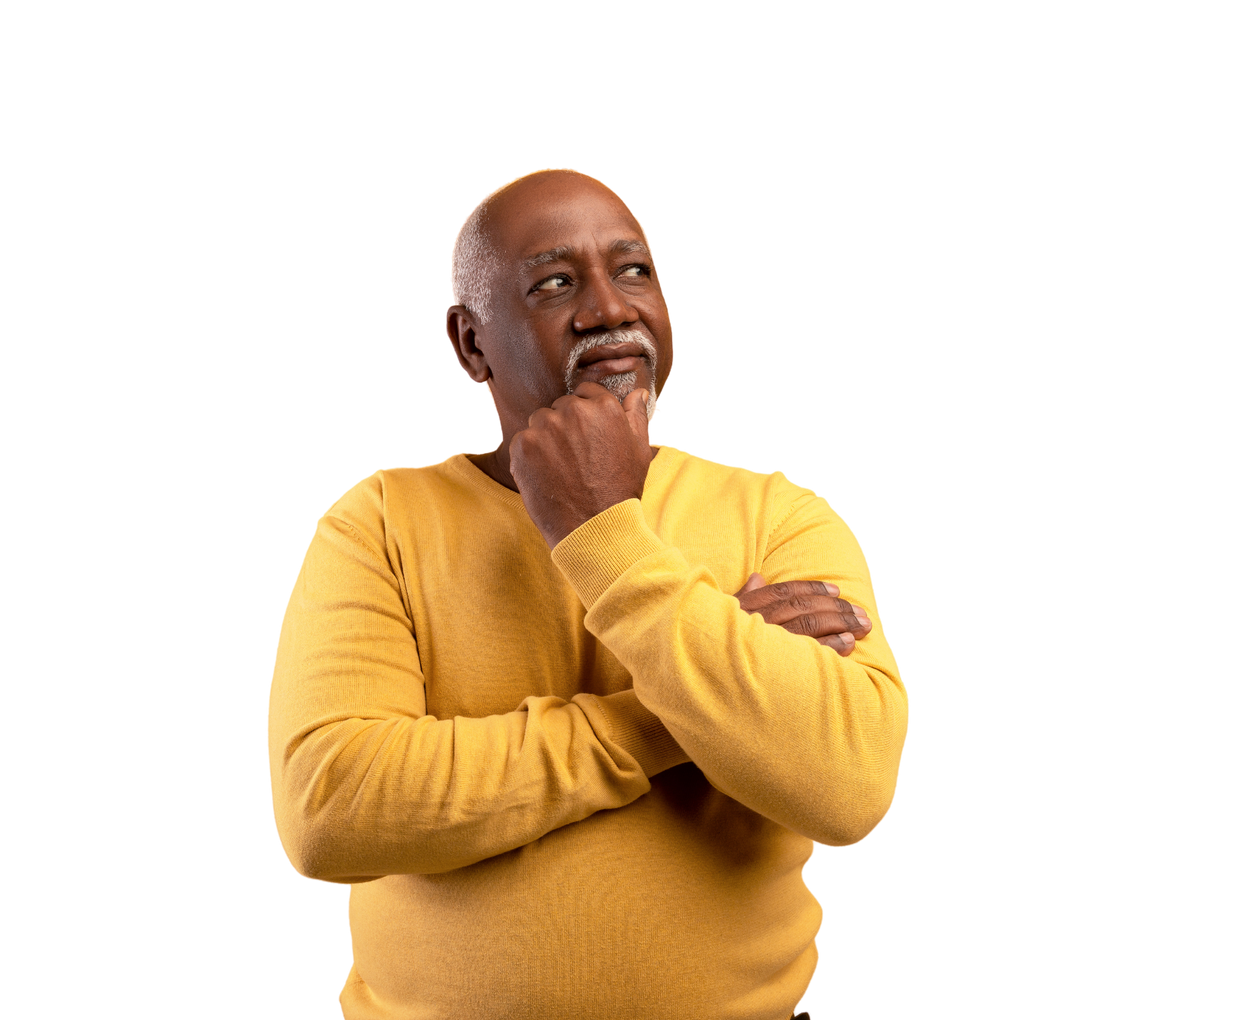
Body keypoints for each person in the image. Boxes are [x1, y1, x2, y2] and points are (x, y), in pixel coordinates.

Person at [265, 166, 910, 1019]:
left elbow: (850, 790)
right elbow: (330, 815)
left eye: (634, 269)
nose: (610, 308)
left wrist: (598, 532)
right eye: (555, 283)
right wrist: (678, 713)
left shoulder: (780, 514)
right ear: (469, 344)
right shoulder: (376, 519)